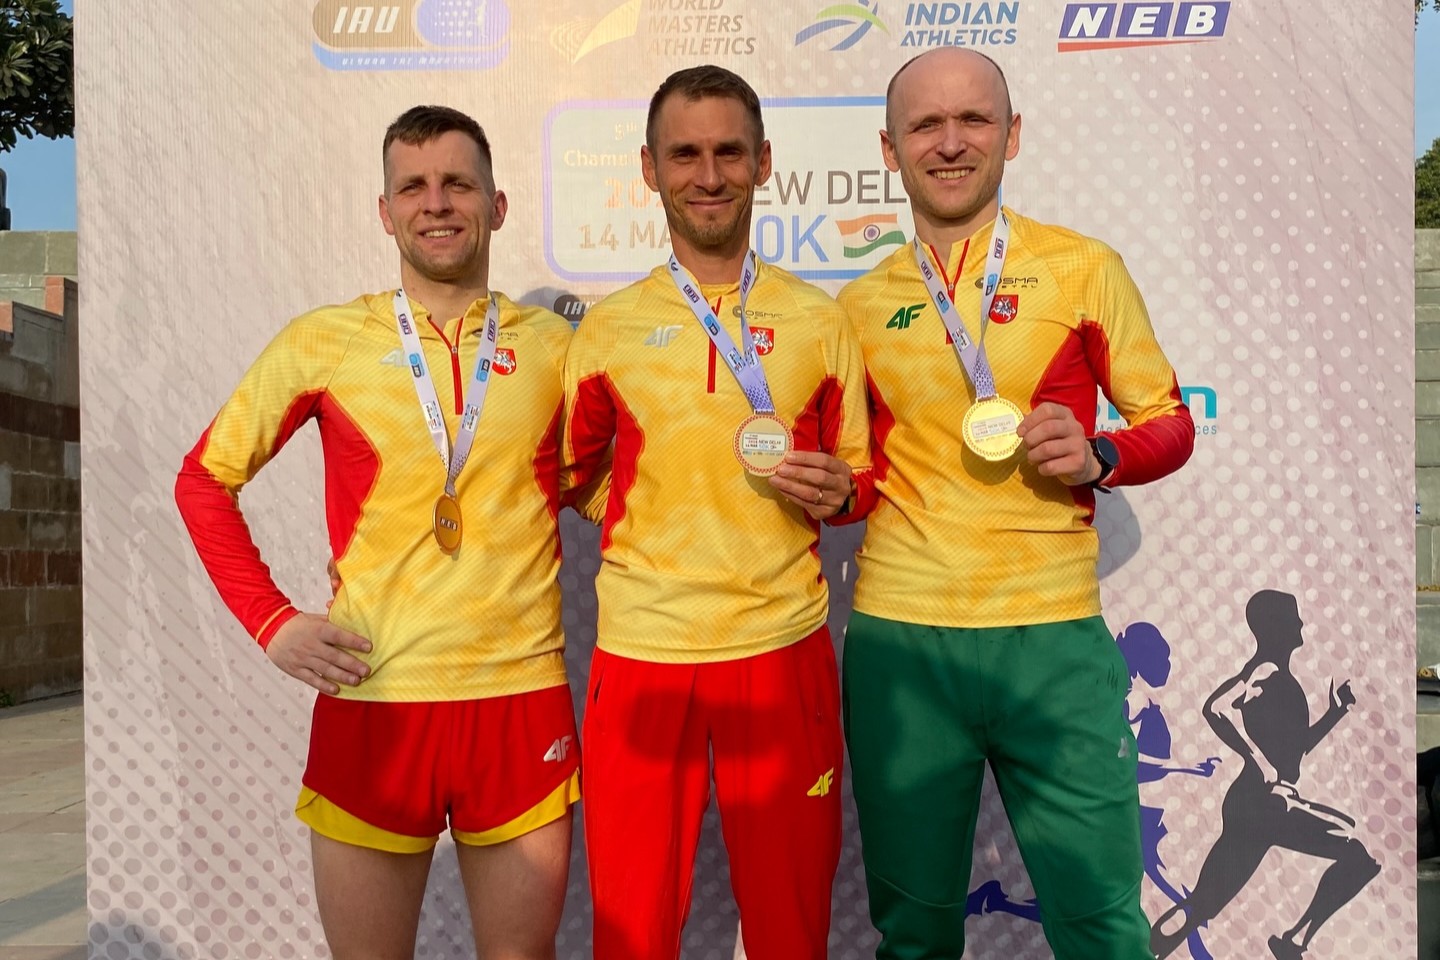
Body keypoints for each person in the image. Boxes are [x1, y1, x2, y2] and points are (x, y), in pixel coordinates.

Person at [174, 105, 582, 960]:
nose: (436, 203)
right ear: (385, 211)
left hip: (518, 700)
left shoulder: (559, 348)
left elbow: (611, 489)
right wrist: (272, 622)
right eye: (414, 187)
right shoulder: (327, 340)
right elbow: (204, 479)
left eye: (457, 183)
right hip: (374, 701)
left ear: (497, 204)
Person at [833, 48, 1196, 959]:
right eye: (925, 125)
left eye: (975, 120)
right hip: (903, 646)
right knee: (914, 935)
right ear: (889, 149)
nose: (951, 143)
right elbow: (862, 478)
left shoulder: (1083, 268)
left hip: (1052, 639)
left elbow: (1168, 421)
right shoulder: (858, 304)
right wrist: (834, 492)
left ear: (1013, 135)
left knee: (1103, 929)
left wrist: (1101, 454)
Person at [561, 65, 871, 960]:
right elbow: (575, 474)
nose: (708, 175)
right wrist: (653, 517)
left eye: (729, 152)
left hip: (781, 655)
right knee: (632, 937)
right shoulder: (609, 328)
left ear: (764, 163)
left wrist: (842, 492)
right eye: (684, 155)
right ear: (649, 169)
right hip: (643, 659)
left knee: (790, 934)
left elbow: (860, 473)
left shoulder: (820, 321)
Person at [1148, 590, 1378, 960]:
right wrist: (1262, 763)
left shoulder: (1279, 676)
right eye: (1294, 617)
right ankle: (1293, 943)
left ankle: (1146, 950)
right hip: (1266, 801)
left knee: (1202, 905)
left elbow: (1297, 749)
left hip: (1257, 803)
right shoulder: (1265, 669)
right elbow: (1216, 707)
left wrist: (1335, 712)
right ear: (1276, 625)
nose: (1301, 623)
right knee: (1357, 853)